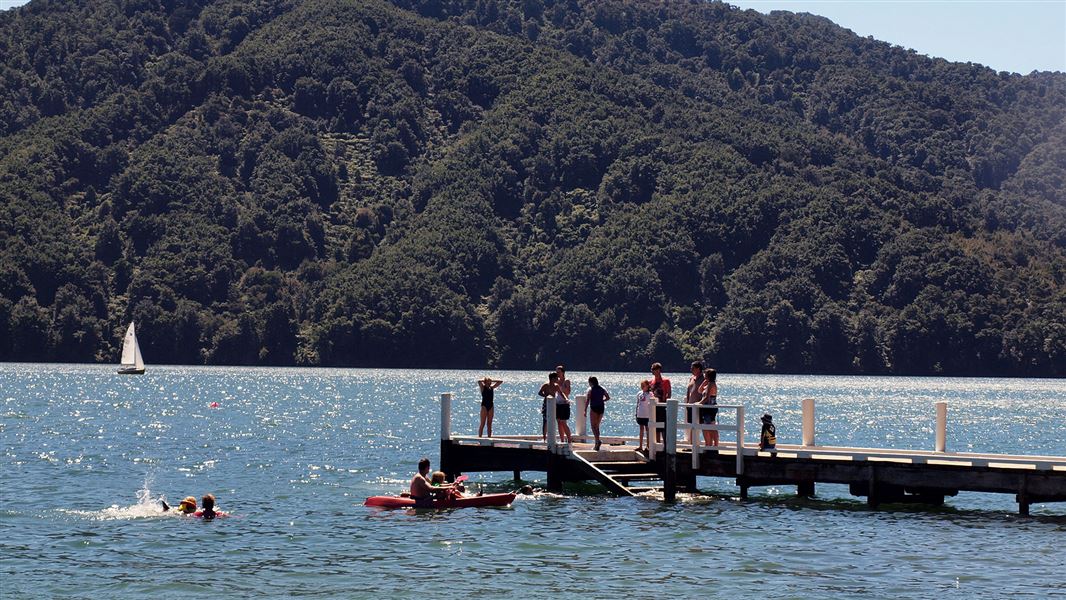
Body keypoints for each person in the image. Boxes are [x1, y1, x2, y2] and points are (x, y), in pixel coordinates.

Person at [584, 376, 610, 450]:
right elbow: (608, 397)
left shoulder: (590, 390)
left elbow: (587, 400)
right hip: (601, 408)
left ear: (591, 382)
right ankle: (597, 442)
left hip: (594, 408)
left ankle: (597, 441)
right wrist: (602, 401)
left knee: (593, 426)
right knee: (597, 426)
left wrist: (585, 410)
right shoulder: (602, 388)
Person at [685, 361, 707, 444]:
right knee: (691, 425)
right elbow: (688, 391)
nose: (691, 369)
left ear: (698, 369)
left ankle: (707, 444)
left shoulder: (704, 379)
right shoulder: (691, 378)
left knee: (701, 425)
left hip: (699, 406)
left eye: (693, 368)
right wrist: (687, 402)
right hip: (690, 405)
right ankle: (691, 444)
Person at [649, 362, 671, 444]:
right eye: (652, 369)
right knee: (656, 427)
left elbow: (669, 393)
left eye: (654, 369)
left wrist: (666, 403)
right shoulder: (651, 382)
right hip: (654, 407)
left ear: (659, 370)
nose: (652, 371)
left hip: (663, 406)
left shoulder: (666, 381)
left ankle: (665, 444)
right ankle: (657, 444)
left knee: (664, 427)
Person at [698, 368, 720, 446]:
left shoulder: (711, 384)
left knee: (710, 426)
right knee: (706, 427)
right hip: (706, 408)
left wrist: (698, 404)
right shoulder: (708, 384)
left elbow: (707, 397)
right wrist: (704, 382)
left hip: (710, 408)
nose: (704, 375)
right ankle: (709, 444)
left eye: (705, 374)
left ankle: (715, 445)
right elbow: (700, 391)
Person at [538, 372, 560, 441]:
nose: (557, 379)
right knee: (545, 421)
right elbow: (539, 393)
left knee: (553, 420)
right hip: (546, 404)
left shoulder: (556, 386)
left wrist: (565, 399)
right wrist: (546, 396)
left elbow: (561, 393)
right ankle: (544, 438)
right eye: (556, 378)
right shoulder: (545, 385)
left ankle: (552, 437)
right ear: (553, 378)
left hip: (553, 405)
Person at [634, 380, 653, 453]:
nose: (642, 387)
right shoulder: (639, 393)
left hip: (647, 415)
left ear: (648, 386)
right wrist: (636, 413)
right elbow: (638, 404)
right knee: (641, 430)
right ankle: (640, 446)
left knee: (648, 430)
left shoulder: (650, 394)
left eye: (644, 385)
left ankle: (648, 446)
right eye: (641, 385)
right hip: (640, 414)